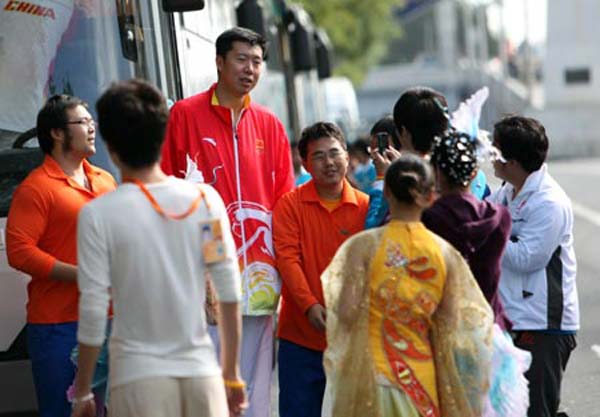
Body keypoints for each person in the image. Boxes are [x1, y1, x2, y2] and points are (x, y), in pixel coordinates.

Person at [70, 79, 246, 417]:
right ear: (162, 137)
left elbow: (93, 307)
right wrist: (232, 374)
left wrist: (82, 392)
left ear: (110, 145)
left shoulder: (98, 214)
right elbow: (228, 292)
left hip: (137, 381)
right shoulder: (205, 199)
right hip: (201, 376)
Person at [160, 27, 294, 416]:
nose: (249, 69)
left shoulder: (269, 125)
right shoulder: (184, 115)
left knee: (255, 381)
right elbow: (165, 189)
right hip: (200, 275)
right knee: (206, 376)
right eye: (241, 59)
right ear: (219, 62)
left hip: (259, 276)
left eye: (256, 62)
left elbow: (284, 201)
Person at [321, 154, 494, 417]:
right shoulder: (445, 253)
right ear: (430, 196)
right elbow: (452, 321)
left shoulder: (363, 247)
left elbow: (345, 313)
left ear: (387, 192)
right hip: (422, 380)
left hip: (374, 379)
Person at [5, 94, 116, 417]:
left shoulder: (104, 179)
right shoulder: (36, 188)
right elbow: (20, 252)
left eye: (91, 121)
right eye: (83, 122)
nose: (92, 128)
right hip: (60, 326)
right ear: (56, 133)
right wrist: (82, 275)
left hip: (112, 320)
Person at [273, 122, 369, 417]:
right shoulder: (289, 205)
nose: (329, 162)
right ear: (305, 163)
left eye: (335, 153)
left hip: (353, 337)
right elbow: (287, 259)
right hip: (300, 336)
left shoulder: (366, 208)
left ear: (346, 156)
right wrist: (309, 305)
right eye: (319, 156)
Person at [488, 115, 579, 417]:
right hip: (513, 319)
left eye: (496, 149)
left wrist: (489, 230)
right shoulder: (504, 192)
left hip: (545, 324)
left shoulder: (550, 202)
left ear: (512, 160)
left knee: (538, 411)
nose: (490, 153)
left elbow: (528, 258)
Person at [422, 131, 512, 329]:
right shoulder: (499, 217)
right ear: (473, 173)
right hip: (487, 328)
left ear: (436, 173)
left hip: (442, 328)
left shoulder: (426, 219)